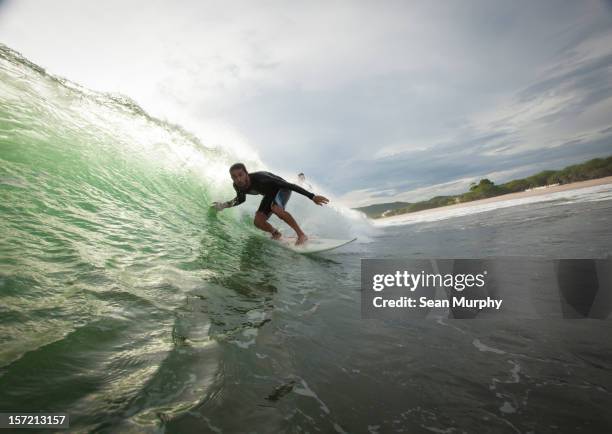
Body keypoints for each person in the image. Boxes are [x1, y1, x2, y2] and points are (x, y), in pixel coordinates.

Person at [211, 163, 329, 245]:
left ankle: (302, 235)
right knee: (258, 222)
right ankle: (276, 234)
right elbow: (241, 199)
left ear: (247, 173)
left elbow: (289, 186)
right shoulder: (237, 186)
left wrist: (312, 196)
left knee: (276, 208)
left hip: (282, 188)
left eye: (240, 175)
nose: (238, 179)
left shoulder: (262, 178)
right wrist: (224, 205)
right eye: (234, 177)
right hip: (269, 195)